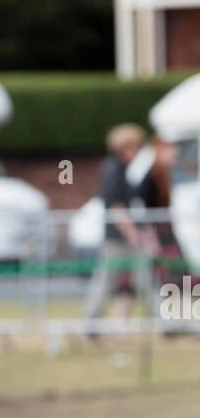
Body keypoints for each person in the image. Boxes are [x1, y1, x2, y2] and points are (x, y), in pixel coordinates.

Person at [84, 124, 160, 332]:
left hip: (138, 233)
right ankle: (91, 323)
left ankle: (164, 322)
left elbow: (146, 202)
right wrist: (131, 232)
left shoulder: (139, 170)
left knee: (147, 277)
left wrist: (146, 232)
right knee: (107, 278)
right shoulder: (111, 169)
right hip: (117, 236)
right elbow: (115, 205)